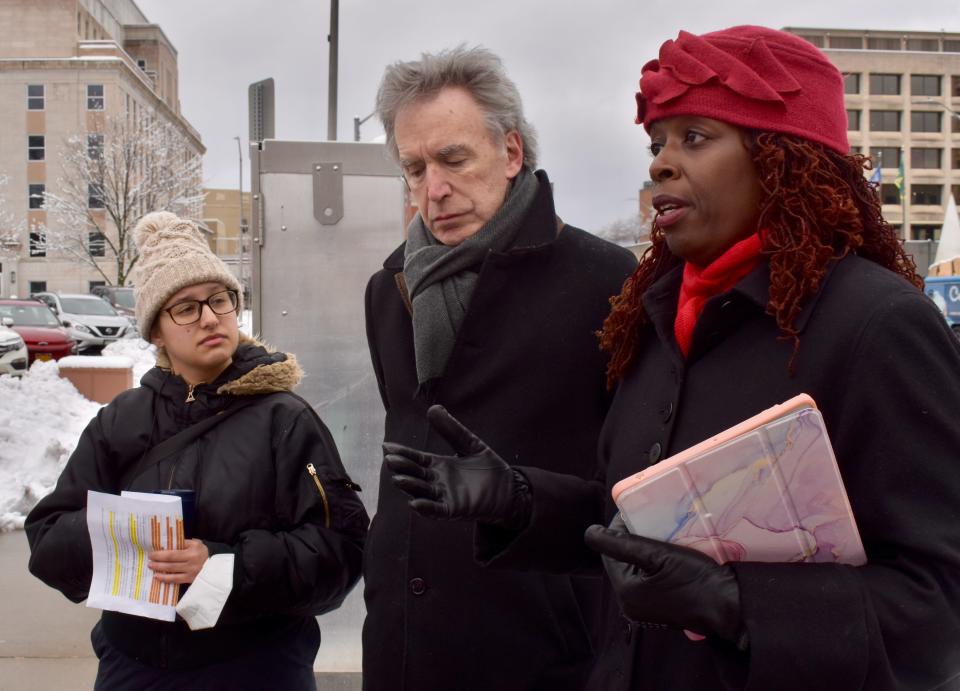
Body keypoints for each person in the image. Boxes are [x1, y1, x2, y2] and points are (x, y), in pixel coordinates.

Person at [383, 26, 960, 690]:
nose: (659, 163)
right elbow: (634, 526)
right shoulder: (654, 319)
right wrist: (520, 499)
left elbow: (939, 608)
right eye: (657, 142)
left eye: (696, 137)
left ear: (783, 157)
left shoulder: (878, 325)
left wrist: (735, 603)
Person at [363, 45, 637, 691]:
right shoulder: (390, 287)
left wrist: (519, 497)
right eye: (414, 167)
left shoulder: (606, 282)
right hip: (403, 644)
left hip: (541, 654)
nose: (434, 188)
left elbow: (634, 486)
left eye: (454, 159)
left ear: (511, 153)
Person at [26, 212, 368, 690]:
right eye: (185, 307)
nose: (209, 317)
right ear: (157, 332)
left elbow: (342, 551)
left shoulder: (285, 419)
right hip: (134, 668)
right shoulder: (119, 421)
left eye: (219, 300)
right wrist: (120, 543)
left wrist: (225, 565)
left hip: (257, 669)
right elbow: (46, 540)